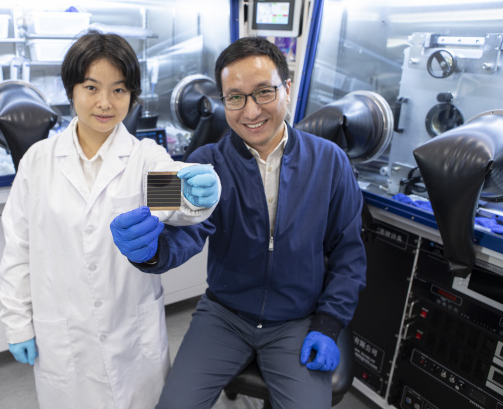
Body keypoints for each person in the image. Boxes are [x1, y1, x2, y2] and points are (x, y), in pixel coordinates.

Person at [110, 36, 367, 408]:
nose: (250, 112)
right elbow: (175, 231)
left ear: (287, 89)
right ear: (223, 101)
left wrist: (329, 323)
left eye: (264, 92)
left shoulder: (331, 161)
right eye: (235, 97)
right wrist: (148, 251)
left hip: (297, 320)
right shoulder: (200, 162)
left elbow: (349, 254)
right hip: (223, 315)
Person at [0, 30, 220, 409]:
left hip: (131, 337)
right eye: (91, 87)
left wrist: (199, 195)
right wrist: (17, 321)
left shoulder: (143, 158)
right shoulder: (38, 161)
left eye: (118, 90)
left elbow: (176, 202)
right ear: (72, 91)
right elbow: (19, 247)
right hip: (64, 336)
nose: (105, 103)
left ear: (131, 95)